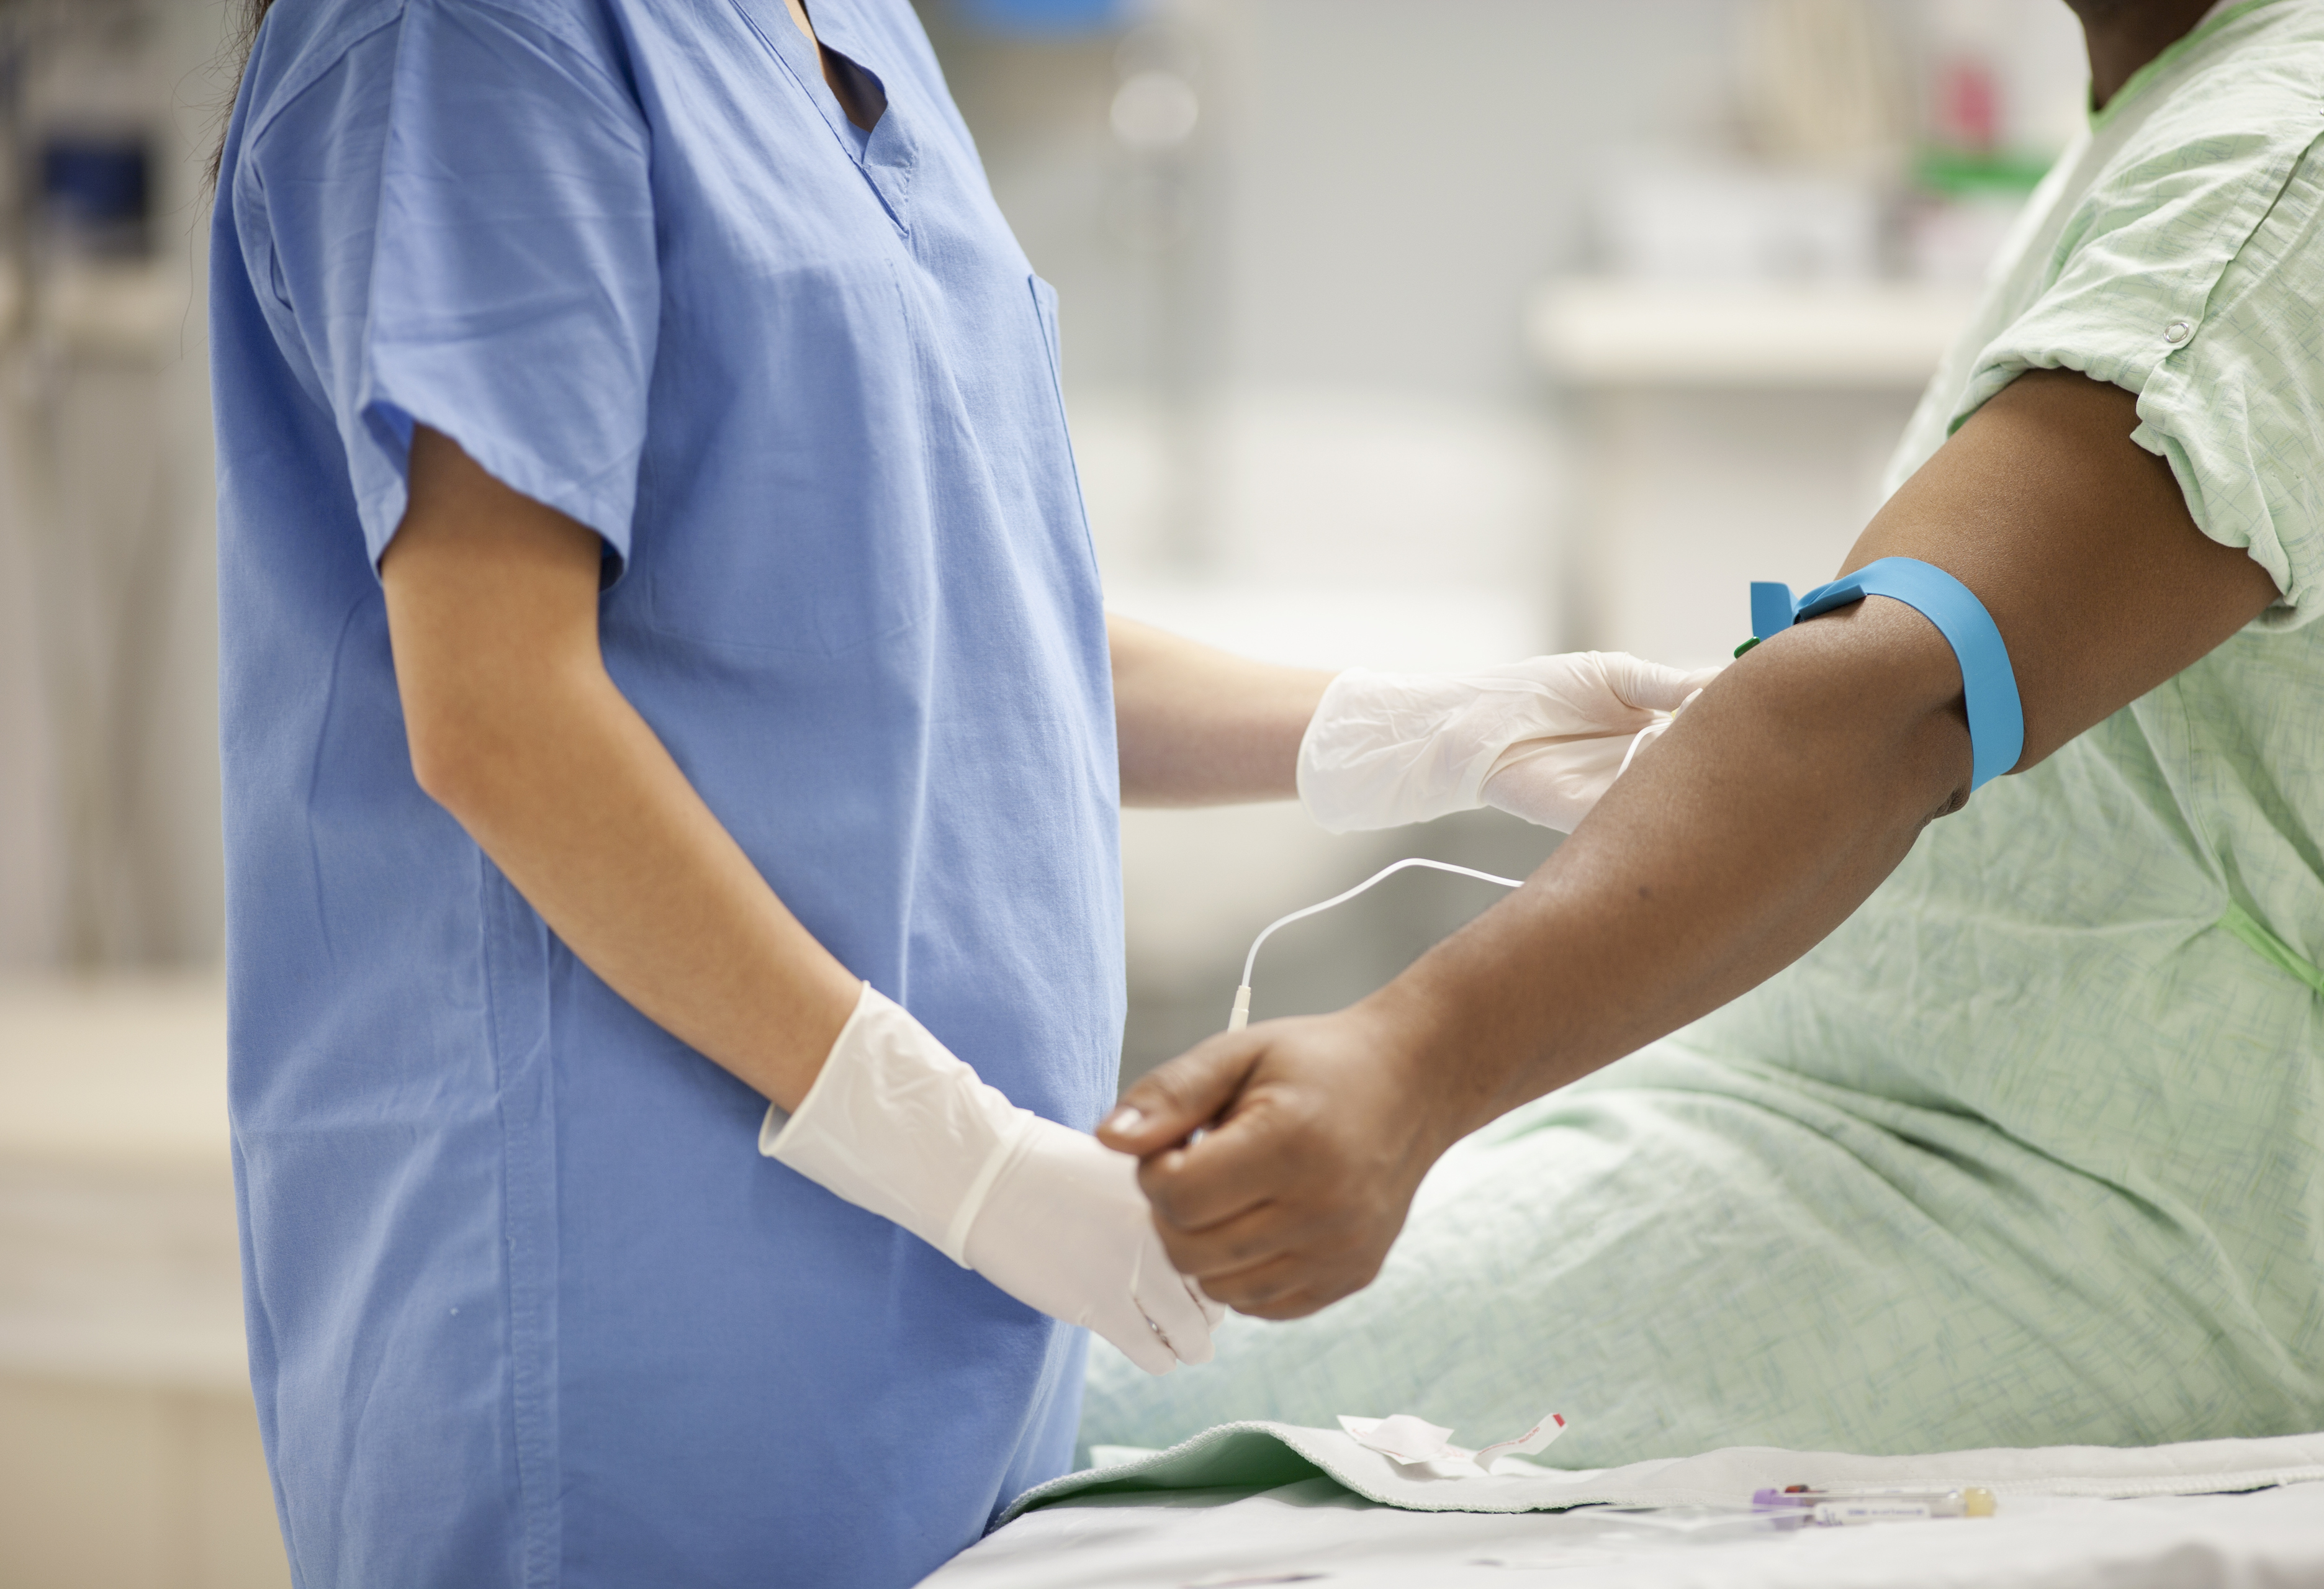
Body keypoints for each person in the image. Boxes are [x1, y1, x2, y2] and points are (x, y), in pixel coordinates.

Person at [207, 1, 1706, 1583]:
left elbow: (957, 627)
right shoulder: (472, 36)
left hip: (929, 1325)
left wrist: (1416, 729)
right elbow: (504, 711)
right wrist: (963, 1163)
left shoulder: (840, 26)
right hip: (635, 1313)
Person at [1086, 0, 2324, 1461]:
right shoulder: (2175, 105)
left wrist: (1412, 1063)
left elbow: (1894, 696)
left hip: (2095, 1222)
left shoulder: (2309, 158)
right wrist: (1407, 732)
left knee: (1074, 1395)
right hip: (1861, 1117)